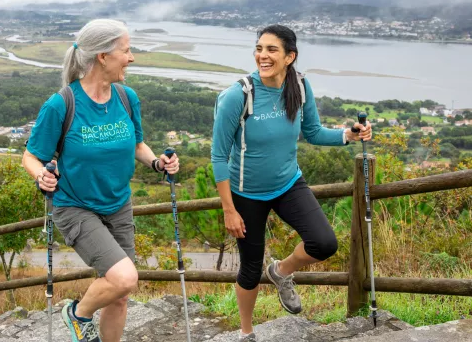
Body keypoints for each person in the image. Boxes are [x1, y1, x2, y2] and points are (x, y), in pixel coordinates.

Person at [211, 24, 372, 342]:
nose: (262, 55)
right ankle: (246, 333)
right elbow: (218, 157)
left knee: (324, 243)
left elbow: (312, 132)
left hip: (288, 183)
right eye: (259, 48)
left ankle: (282, 271)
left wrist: (347, 135)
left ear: (290, 56)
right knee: (250, 267)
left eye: (271, 49)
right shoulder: (238, 95)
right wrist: (229, 209)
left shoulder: (299, 84)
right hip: (246, 193)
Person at [22, 19, 179, 342]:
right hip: (76, 207)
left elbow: (137, 143)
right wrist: (41, 175)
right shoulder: (62, 104)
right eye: (126, 50)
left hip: (119, 204)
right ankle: (77, 313)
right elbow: (30, 156)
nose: (131, 57)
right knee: (123, 279)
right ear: (103, 57)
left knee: (119, 294)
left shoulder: (126, 97)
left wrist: (156, 162)